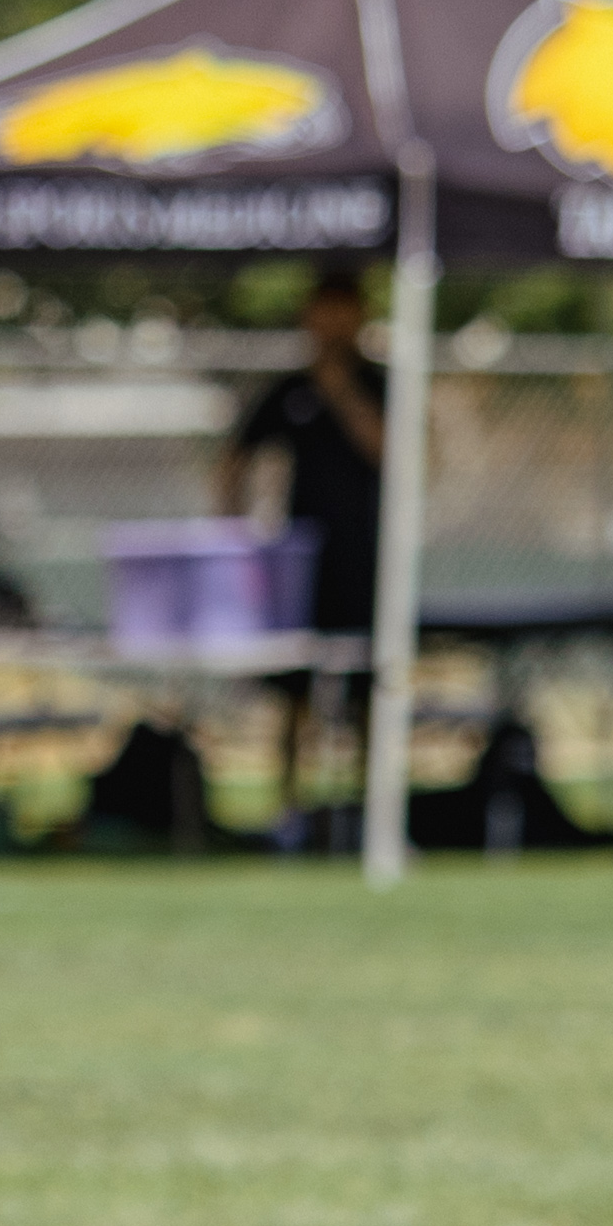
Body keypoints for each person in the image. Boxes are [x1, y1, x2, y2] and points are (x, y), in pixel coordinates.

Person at [222, 268, 392, 826]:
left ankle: (369, 813)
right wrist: (233, 530)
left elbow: (393, 453)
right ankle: (291, 809)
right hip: (300, 560)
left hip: (366, 557)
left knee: (368, 685)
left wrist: (341, 391)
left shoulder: (379, 383)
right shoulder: (290, 388)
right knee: (294, 688)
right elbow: (236, 455)